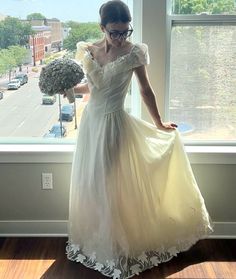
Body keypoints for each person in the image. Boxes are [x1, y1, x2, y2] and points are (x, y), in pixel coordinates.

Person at [66, 1, 214, 278]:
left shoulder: (134, 52)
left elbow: (145, 90)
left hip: (113, 125)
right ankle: (99, 243)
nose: (121, 37)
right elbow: (92, 86)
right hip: (90, 124)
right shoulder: (88, 51)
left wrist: (158, 122)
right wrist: (69, 88)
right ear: (102, 28)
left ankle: (116, 248)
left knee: (108, 185)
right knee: (90, 183)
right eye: (115, 33)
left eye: (126, 31)